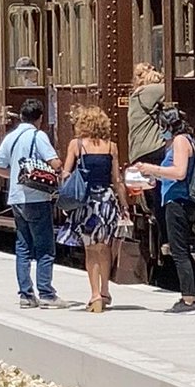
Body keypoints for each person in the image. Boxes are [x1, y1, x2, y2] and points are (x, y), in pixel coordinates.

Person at [0, 98, 65, 309]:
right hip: (37, 198)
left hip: (16, 198)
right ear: (40, 118)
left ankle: (25, 295)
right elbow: (55, 163)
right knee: (45, 248)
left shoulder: (11, 137)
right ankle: (46, 294)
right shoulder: (38, 135)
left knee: (23, 247)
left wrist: (16, 175)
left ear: (21, 116)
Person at [133, 107, 195, 315]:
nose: (160, 131)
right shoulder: (182, 140)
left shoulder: (181, 141)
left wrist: (152, 168)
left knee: (179, 250)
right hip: (179, 199)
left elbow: (179, 172)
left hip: (178, 201)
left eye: (162, 126)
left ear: (169, 125)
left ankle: (188, 299)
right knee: (183, 249)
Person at [57, 106, 129, 313]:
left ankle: (95, 294)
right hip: (106, 201)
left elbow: (66, 175)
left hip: (86, 202)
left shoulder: (77, 145)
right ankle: (106, 291)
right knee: (104, 247)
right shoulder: (111, 147)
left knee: (91, 249)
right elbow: (117, 180)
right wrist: (123, 205)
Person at [128, 63, 167, 251]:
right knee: (162, 194)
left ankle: (161, 234)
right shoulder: (151, 91)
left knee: (154, 196)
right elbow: (173, 87)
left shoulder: (135, 97)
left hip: (138, 153)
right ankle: (166, 238)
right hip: (154, 151)